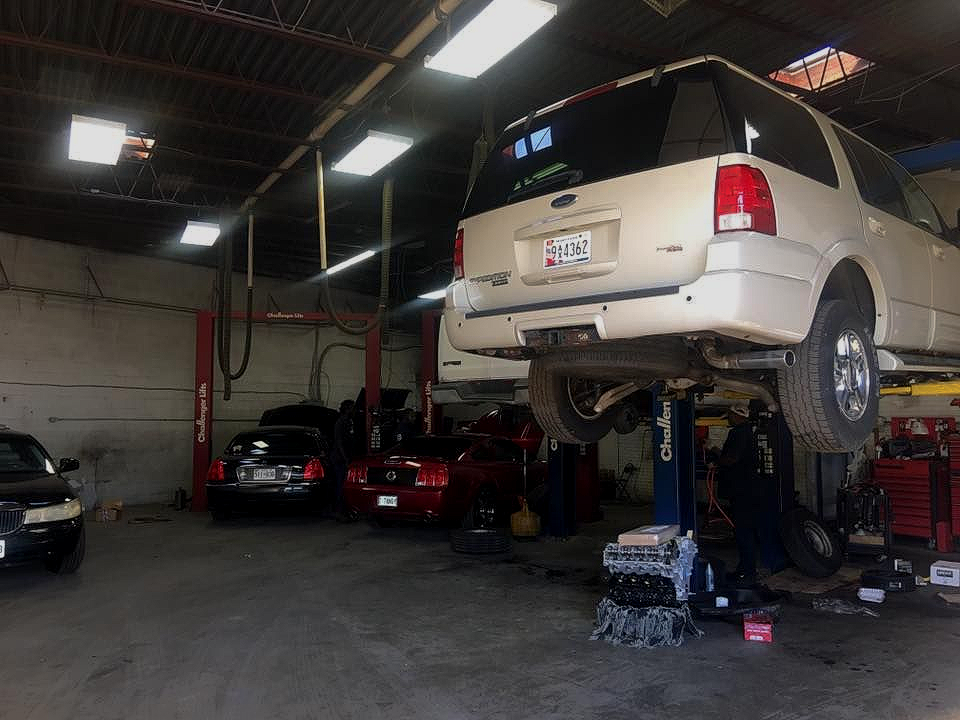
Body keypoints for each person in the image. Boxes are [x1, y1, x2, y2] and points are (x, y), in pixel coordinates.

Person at [712, 404, 781, 583]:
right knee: (750, 530)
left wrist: (716, 461)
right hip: (750, 491)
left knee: (744, 532)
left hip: (743, 492)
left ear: (738, 415)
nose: (728, 418)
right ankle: (749, 568)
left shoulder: (738, 433)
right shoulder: (749, 432)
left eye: (730, 415)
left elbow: (731, 459)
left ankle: (747, 571)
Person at [331, 399, 355, 518]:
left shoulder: (349, 421)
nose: (354, 410)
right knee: (341, 484)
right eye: (352, 408)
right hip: (340, 459)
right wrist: (345, 458)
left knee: (344, 484)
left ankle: (345, 509)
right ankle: (340, 510)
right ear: (347, 409)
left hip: (345, 457)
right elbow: (339, 442)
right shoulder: (341, 422)